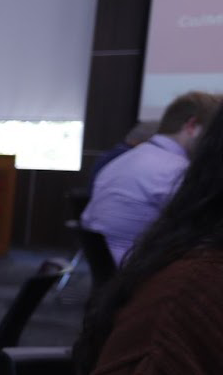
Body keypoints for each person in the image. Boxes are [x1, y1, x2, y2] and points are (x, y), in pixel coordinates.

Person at [71, 115, 223, 375]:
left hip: (126, 270)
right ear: (192, 125)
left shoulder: (120, 159)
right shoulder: (193, 291)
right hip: (148, 284)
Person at [81, 90, 221, 264]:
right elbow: (204, 230)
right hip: (140, 273)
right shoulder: (175, 171)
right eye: (214, 134)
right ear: (191, 126)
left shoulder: (126, 159)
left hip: (107, 267)